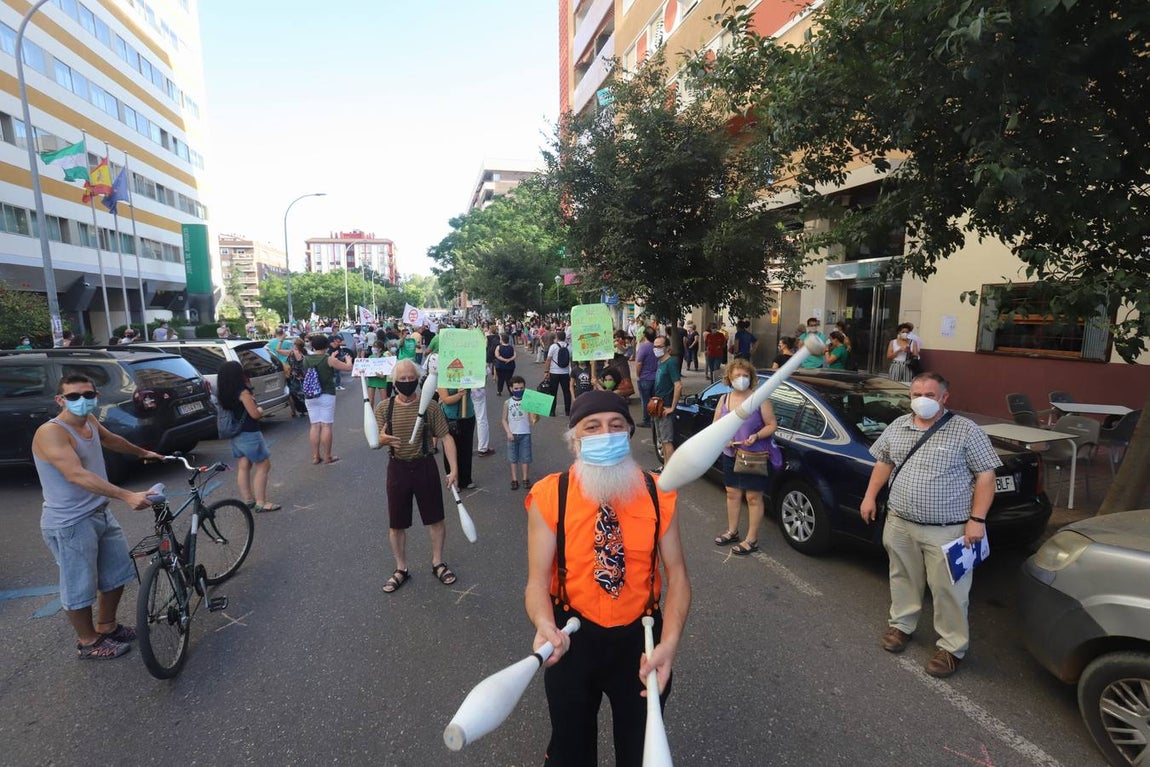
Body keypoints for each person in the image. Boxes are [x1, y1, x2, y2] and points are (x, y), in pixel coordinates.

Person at [524, 390, 691, 766]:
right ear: (574, 440)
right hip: (571, 639)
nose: (606, 434)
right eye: (592, 427)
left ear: (629, 434)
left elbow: (678, 575)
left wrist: (670, 643)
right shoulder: (550, 495)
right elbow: (536, 583)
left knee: (638, 753)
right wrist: (543, 623)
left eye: (616, 426)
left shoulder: (657, 493)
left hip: (641, 641)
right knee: (570, 752)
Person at [860, 372, 1001, 678]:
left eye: (930, 395)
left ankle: (952, 648)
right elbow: (884, 462)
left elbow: (986, 477)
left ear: (944, 398)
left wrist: (977, 520)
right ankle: (901, 626)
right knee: (902, 577)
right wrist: (870, 496)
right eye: (915, 394)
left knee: (949, 589)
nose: (921, 400)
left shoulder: (966, 431)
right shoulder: (899, 425)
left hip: (948, 529)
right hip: (899, 522)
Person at [32, 374, 163, 659]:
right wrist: (127, 495)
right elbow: (75, 474)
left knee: (116, 574)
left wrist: (142, 452)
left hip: (99, 512)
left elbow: (111, 439)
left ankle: (108, 626)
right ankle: (88, 642)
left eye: (88, 395)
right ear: (60, 400)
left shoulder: (89, 421)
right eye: (74, 397)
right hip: (70, 522)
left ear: (96, 396)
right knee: (79, 585)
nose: (82, 401)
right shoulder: (52, 432)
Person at [376, 359, 459, 593]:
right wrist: (381, 440)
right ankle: (401, 568)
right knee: (397, 523)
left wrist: (454, 469)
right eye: (401, 379)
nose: (406, 382)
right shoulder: (383, 408)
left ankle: (438, 562)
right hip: (397, 468)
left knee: (435, 519)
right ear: (394, 381)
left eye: (410, 378)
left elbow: (446, 438)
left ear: (418, 379)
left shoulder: (431, 407)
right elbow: (375, 439)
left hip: (424, 465)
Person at [711, 359, 778, 554]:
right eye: (737, 375)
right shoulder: (724, 400)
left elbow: (772, 425)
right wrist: (724, 438)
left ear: (751, 377)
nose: (741, 379)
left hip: (753, 455)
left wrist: (756, 435)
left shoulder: (760, 399)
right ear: (729, 378)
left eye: (745, 375)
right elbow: (716, 424)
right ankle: (732, 531)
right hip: (730, 454)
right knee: (732, 494)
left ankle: (752, 539)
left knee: (753, 497)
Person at [216, 361, 280, 512]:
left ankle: (248, 500)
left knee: (244, 466)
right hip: (249, 433)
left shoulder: (223, 392)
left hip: (235, 434)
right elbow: (254, 414)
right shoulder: (243, 392)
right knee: (263, 465)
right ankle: (261, 502)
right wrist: (260, 409)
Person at [303, 334, 354, 464]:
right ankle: (327, 456)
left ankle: (315, 456)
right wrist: (348, 359)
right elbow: (348, 367)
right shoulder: (328, 359)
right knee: (326, 425)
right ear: (326, 346)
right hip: (326, 394)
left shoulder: (306, 360)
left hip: (310, 395)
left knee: (314, 425)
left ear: (313, 346)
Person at [650, 335, 682, 467]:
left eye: (659, 346)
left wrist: (672, 407)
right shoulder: (660, 362)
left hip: (666, 406)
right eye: (654, 346)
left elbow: (678, 385)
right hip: (658, 406)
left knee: (667, 441)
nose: (656, 349)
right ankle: (665, 466)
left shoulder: (671, 363)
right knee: (662, 440)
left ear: (667, 348)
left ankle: (670, 470)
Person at [437, 383, 477, 489]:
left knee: (466, 449)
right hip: (450, 418)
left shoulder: (467, 373)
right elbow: (446, 399)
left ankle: (466, 479)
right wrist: (459, 395)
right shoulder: (443, 378)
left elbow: (480, 382)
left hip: (468, 416)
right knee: (451, 450)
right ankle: (453, 480)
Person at [502, 375, 538, 490]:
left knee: (526, 457)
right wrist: (508, 432)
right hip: (512, 434)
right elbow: (503, 419)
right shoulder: (507, 402)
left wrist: (536, 414)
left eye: (521, 388)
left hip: (525, 433)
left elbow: (533, 420)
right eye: (516, 388)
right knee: (513, 458)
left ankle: (525, 478)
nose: (519, 390)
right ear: (511, 389)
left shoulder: (528, 401)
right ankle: (514, 479)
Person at [632, 327, 657, 427]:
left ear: (644, 335)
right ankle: (655, 419)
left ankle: (646, 420)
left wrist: (637, 375)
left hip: (645, 377)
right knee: (654, 399)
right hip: (655, 377)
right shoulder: (657, 346)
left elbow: (639, 363)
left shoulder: (643, 347)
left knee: (645, 400)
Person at [546, 330, 573, 417]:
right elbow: (572, 360)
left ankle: (552, 412)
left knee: (553, 392)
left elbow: (548, 360)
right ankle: (567, 411)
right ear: (565, 337)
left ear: (557, 337)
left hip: (554, 372)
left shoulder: (553, 347)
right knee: (566, 392)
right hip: (565, 373)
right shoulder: (569, 347)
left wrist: (546, 371)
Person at [365, 341, 391, 408]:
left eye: (375, 347)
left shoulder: (384, 358)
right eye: (373, 347)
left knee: (384, 401)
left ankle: (385, 416)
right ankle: (370, 416)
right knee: (370, 400)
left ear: (380, 349)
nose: (373, 348)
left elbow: (387, 370)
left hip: (381, 380)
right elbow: (367, 369)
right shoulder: (370, 357)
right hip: (372, 380)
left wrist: (383, 375)